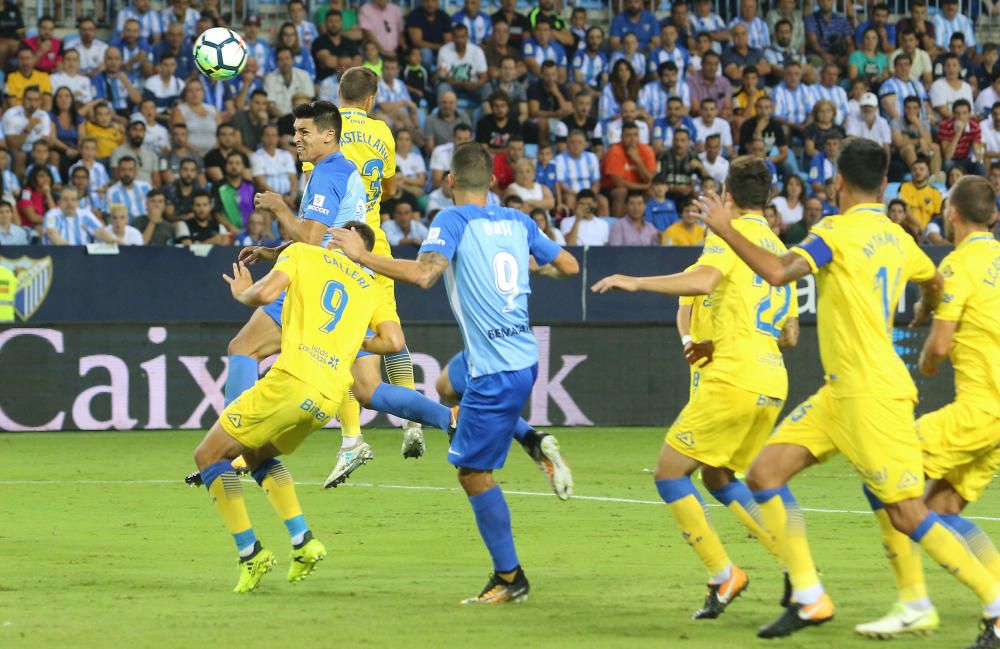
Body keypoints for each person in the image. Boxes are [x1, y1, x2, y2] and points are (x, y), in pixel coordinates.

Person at [696, 138, 1000, 645]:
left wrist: (726, 230)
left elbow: (776, 272)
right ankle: (811, 595)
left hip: (872, 395)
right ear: (884, 183)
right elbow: (933, 279)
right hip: (842, 391)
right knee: (765, 472)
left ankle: (992, 602)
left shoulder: (832, 233)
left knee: (907, 511)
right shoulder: (899, 237)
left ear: (838, 182)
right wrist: (926, 308)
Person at [330, 141, 579, 604]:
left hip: (494, 370)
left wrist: (361, 256)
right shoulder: (519, 220)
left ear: (449, 182)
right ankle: (530, 438)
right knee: (446, 385)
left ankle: (510, 577)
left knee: (472, 473)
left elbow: (424, 275)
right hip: (521, 355)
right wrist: (535, 271)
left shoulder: (451, 219)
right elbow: (568, 264)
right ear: (493, 183)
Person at [592, 156, 797, 619]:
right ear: (767, 196)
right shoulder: (776, 248)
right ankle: (795, 565)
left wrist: (634, 280)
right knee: (718, 475)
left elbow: (703, 280)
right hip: (771, 379)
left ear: (727, 195)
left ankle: (726, 574)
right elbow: (787, 328)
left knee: (669, 473)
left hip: (735, 378)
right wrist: (698, 337)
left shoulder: (729, 237)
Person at [192, 220, 393, 592]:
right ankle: (303, 542)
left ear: (334, 239)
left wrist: (242, 293)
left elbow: (265, 294)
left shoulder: (304, 254)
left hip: (291, 381)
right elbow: (393, 341)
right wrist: (352, 346)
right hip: (329, 396)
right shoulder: (371, 288)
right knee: (257, 455)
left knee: (208, 455)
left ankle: (250, 555)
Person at [855, 176, 1000, 640]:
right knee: (942, 508)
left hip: (980, 410)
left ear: (951, 215)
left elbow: (939, 343)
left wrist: (927, 361)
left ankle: (915, 600)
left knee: (884, 478)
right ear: (992, 216)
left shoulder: (959, 266)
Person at [603, 122, 655, 217]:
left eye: (635, 135)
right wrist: (644, 187)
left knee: (651, 193)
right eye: (628, 136)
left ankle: (647, 225)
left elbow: (650, 179)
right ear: (621, 137)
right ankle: (617, 225)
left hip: (637, 187)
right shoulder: (614, 151)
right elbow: (619, 183)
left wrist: (638, 161)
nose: (632, 139)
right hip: (613, 189)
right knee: (621, 192)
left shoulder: (646, 150)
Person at [42, 186, 111, 246]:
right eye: (65, 199)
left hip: (83, 256)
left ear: (78, 202)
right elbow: (53, 234)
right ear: (59, 202)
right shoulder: (52, 214)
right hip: (58, 254)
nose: (69, 203)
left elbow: (101, 232)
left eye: (73, 199)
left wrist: (115, 241)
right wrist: (71, 250)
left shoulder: (85, 214)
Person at [251, 125, 297, 209]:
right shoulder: (256, 157)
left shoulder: (286, 155)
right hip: (267, 199)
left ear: (278, 138)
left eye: (274, 135)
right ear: (262, 138)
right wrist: (282, 198)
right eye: (268, 135)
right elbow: (261, 184)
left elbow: (293, 179)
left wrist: (292, 197)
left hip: (289, 199)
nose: (271, 139)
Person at [899, 157, 943, 230]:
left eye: (921, 169)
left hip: (928, 232)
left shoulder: (935, 192)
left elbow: (937, 216)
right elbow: (903, 210)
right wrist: (918, 225)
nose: (918, 172)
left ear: (928, 172)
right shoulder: (904, 187)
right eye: (914, 170)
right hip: (907, 229)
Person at [106, 157, 152, 221]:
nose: (127, 173)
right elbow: (110, 216)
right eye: (123, 170)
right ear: (118, 171)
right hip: (127, 228)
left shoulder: (146, 187)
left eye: (130, 170)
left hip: (147, 223)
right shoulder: (112, 192)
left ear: (136, 171)